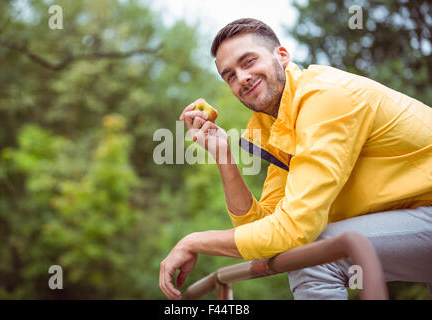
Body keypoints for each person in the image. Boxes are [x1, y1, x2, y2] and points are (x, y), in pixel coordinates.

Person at [159, 18, 432, 300]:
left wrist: (194, 242)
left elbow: (294, 229)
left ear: (283, 56)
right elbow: (264, 234)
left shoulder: (325, 98)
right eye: (230, 75)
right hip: (420, 220)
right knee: (311, 250)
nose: (242, 78)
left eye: (249, 61)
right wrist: (223, 156)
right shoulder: (281, 124)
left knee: (315, 256)